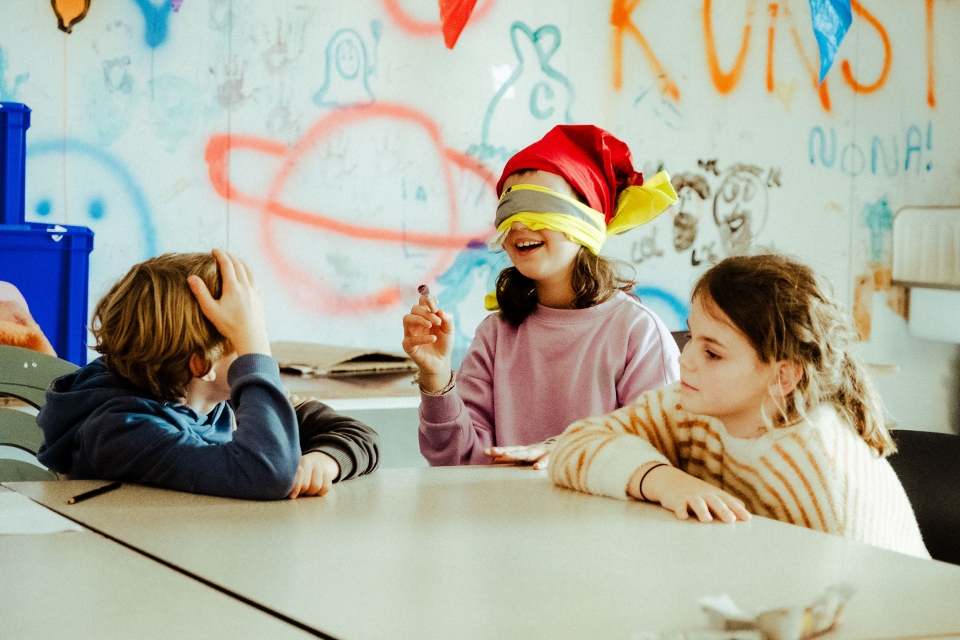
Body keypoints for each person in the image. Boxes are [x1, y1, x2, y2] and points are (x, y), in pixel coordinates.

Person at [550, 253, 929, 558]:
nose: (686, 359)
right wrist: (665, 481)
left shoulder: (815, 469)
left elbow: (831, 606)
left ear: (783, 377)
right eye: (692, 336)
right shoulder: (693, 407)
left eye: (712, 352)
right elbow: (573, 446)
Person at [403, 124, 681, 467]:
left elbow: (660, 449)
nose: (519, 225)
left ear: (585, 221)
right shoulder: (495, 335)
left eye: (538, 206)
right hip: (507, 515)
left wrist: (569, 451)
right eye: (509, 209)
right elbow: (457, 460)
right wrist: (437, 378)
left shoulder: (636, 333)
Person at [37, 250, 379, 500]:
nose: (258, 353)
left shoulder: (222, 400)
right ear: (201, 365)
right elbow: (268, 474)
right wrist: (254, 351)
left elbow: (360, 435)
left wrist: (326, 459)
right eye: (246, 338)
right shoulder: (122, 431)